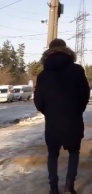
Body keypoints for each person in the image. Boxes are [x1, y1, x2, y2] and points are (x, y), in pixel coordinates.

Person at [34, 39, 90, 194]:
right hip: (73, 120)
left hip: (52, 123)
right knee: (73, 153)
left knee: (52, 154)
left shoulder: (43, 75)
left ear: (49, 53)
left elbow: (38, 101)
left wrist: (50, 112)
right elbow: (84, 95)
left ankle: (53, 187)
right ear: (66, 50)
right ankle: (69, 185)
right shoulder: (77, 70)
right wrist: (77, 110)